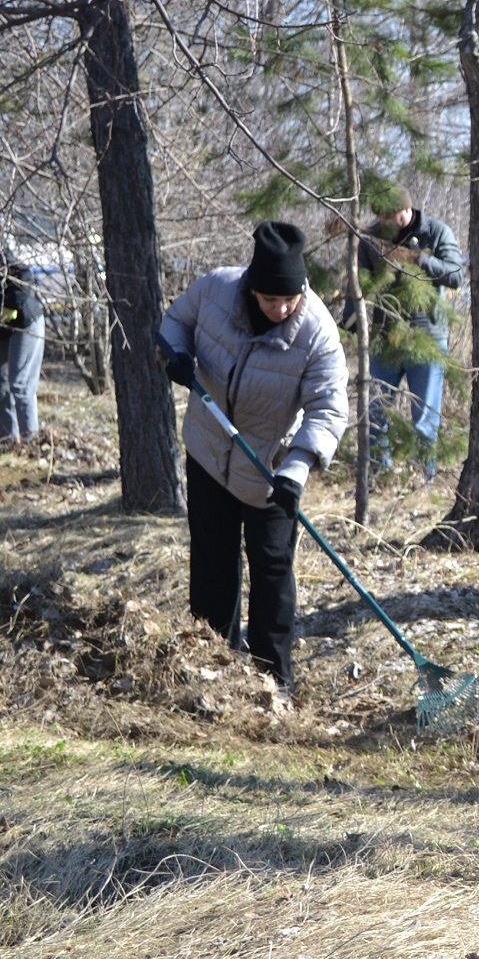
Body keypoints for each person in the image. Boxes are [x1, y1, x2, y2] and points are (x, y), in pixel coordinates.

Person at [156, 221, 350, 695]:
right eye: (269, 299)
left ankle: (273, 679)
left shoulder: (317, 331)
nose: (280, 309)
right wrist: (177, 353)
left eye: (289, 299)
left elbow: (329, 407)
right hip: (209, 452)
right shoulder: (215, 291)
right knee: (212, 563)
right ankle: (213, 665)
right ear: (250, 287)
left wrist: (297, 469)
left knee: (272, 568)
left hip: (271, 469)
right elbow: (175, 321)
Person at [356, 184, 463, 479]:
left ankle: (423, 477)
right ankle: (379, 474)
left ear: (406, 208)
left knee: (424, 417)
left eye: (390, 216)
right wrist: (352, 323)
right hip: (385, 337)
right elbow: (359, 281)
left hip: (426, 336)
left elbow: (456, 275)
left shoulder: (436, 232)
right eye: (381, 217)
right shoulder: (371, 237)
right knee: (376, 411)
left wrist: (417, 258)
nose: (385, 223)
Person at [0, 260, 42, 445]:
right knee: (1, 383)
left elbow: (25, 276)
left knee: (20, 384)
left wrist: (8, 304)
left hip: (26, 321)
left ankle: (30, 442)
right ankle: (8, 441)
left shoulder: (4, 259)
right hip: (4, 328)